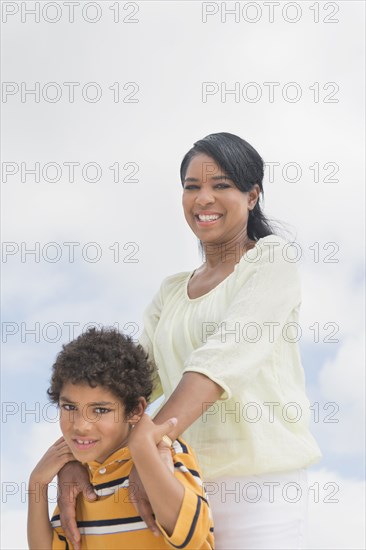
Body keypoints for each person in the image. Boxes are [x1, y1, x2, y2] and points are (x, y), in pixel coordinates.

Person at [57, 132, 322, 549]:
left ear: (252, 196)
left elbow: (221, 360)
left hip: (260, 492)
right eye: (192, 187)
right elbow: (126, 387)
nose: (204, 199)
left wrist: (145, 443)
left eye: (221, 186)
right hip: (179, 485)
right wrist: (74, 456)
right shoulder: (172, 291)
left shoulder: (271, 261)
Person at [27, 327, 214, 550]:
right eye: (69, 407)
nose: (81, 425)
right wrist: (37, 484)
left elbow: (191, 536)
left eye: (100, 410)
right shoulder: (79, 478)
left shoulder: (167, 452)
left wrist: (143, 449)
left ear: (135, 410)